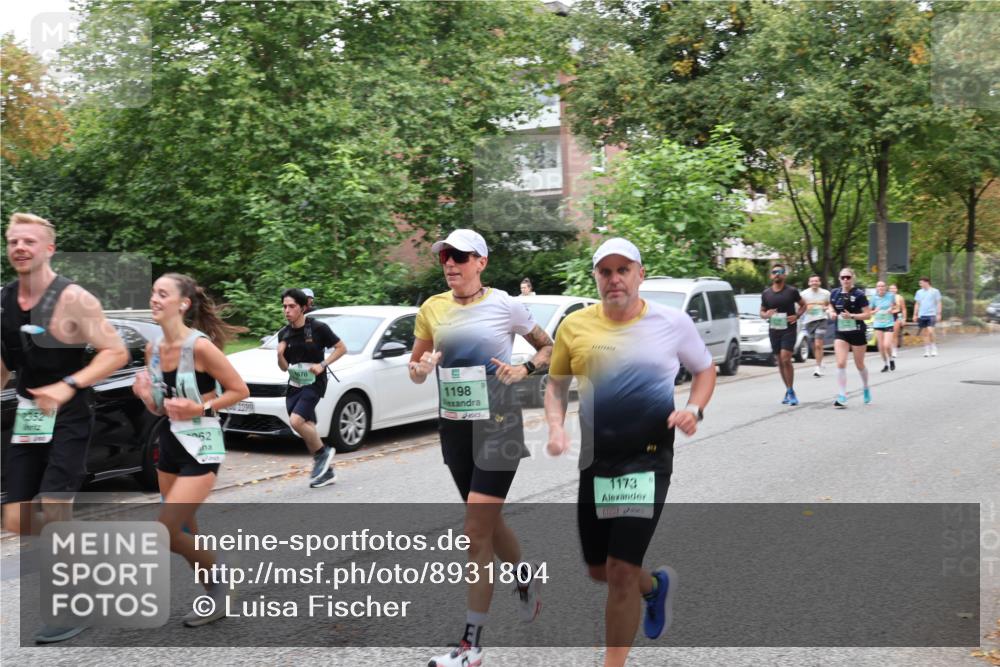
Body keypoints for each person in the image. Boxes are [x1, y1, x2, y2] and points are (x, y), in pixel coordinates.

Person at [545, 238, 716, 667]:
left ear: (641, 274)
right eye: (606, 271)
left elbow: (704, 369)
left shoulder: (672, 322)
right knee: (599, 570)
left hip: (648, 459)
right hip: (597, 461)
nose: (614, 279)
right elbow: (556, 384)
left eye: (623, 270)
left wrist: (693, 409)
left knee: (620, 571)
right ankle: (654, 588)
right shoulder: (574, 326)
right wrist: (556, 426)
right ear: (595, 278)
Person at [408, 229, 553, 667]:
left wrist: (524, 369)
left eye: (460, 256)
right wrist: (422, 368)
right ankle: (523, 574)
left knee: (474, 530)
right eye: (445, 257)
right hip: (454, 428)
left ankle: (471, 647)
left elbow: (548, 347)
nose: (451, 263)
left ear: (481, 262)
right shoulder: (432, 309)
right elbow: (415, 368)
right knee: (486, 522)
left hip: (499, 426)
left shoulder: (506, 305)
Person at [1, 212, 129, 644]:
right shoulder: (3, 300)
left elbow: (115, 352)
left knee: (55, 507)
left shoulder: (74, 298)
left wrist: (67, 385)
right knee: (15, 518)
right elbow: (4, 362)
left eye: (29, 241)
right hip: (29, 414)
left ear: (49, 249)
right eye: (13, 241)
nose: (20, 247)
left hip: (70, 412)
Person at [131, 273, 249, 627]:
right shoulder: (153, 350)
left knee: (167, 530)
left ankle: (222, 575)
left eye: (162, 293)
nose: (154, 299)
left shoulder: (199, 347)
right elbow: (161, 407)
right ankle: (215, 594)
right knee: (186, 531)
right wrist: (145, 395)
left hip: (202, 446)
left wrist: (200, 407)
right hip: (170, 443)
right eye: (153, 292)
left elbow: (239, 390)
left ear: (183, 304)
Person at [276, 288, 347, 488]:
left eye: (291, 306)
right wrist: (279, 355)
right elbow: (284, 368)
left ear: (302, 308)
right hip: (294, 384)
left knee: (296, 421)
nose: (287, 310)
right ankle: (327, 472)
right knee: (307, 427)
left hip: (315, 382)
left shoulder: (318, 328)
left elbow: (342, 348)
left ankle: (323, 453)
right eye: (284, 306)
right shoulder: (284, 333)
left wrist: (322, 364)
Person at [759, 264, 805, 405]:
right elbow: (761, 312)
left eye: (780, 272)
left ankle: (791, 392)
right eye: (774, 272)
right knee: (779, 361)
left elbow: (804, 305)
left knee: (786, 359)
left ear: (784, 275)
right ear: (771, 275)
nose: (777, 274)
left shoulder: (792, 291)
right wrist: (766, 314)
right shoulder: (766, 293)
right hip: (774, 330)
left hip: (788, 329)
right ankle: (788, 389)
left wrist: (797, 316)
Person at [827, 268, 872, 408]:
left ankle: (866, 387)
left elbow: (868, 315)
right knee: (841, 363)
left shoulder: (859, 295)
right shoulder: (834, 293)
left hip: (857, 332)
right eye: (843, 277)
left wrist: (852, 316)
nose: (845, 280)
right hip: (841, 332)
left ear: (853, 278)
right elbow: (830, 306)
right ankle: (842, 395)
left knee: (859, 364)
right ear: (839, 279)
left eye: (848, 277)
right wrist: (831, 312)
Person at [800, 275, 831, 377]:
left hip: (822, 320)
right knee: (813, 345)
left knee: (818, 344)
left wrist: (826, 308)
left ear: (819, 282)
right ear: (809, 283)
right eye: (812, 281)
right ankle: (820, 361)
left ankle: (817, 367)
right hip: (809, 321)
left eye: (816, 281)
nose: (814, 283)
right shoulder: (803, 294)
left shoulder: (826, 293)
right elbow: (800, 306)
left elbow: (830, 304)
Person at [870, 281, 896, 372]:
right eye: (879, 286)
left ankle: (891, 359)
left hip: (889, 323)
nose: (881, 288)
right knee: (881, 347)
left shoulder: (891, 296)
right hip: (878, 324)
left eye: (882, 286)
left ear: (885, 287)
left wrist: (891, 309)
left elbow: (895, 306)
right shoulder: (873, 298)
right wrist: (875, 311)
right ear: (876, 288)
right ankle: (885, 364)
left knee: (887, 345)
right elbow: (868, 311)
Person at [913, 277, 942, 357]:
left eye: (921, 283)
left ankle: (933, 347)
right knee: (925, 333)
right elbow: (917, 303)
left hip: (932, 314)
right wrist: (915, 314)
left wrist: (939, 313)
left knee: (930, 331)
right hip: (922, 314)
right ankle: (927, 350)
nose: (920, 284)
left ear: (927, 282)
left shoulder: (935, 291)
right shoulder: (919, 292)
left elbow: (939, 302)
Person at [889, 284, 906, 357]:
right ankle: (889, 349)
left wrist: (904, 319)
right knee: (889, 334)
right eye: (891, 288)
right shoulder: (886, 297)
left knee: (894, 334)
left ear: (896, 289)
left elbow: (904, 309)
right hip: (888, 316)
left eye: (894, 288)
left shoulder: (900, 298)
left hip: (897, 316)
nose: (892, 290)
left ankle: (894, 350)